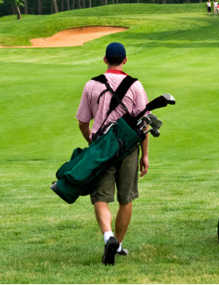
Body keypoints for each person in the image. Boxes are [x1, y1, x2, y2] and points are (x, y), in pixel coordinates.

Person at [76, 42, 150, 266]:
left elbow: (82, 122)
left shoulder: (91, 85)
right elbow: (143, 124)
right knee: (126, 198)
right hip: (128, 149)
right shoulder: (135, 86)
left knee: (101, 197)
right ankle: (117, 244)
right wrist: (144, 156)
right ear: (125, 60)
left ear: (105, 59)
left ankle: (108, 236)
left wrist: (91, 139)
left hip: (101, 148)